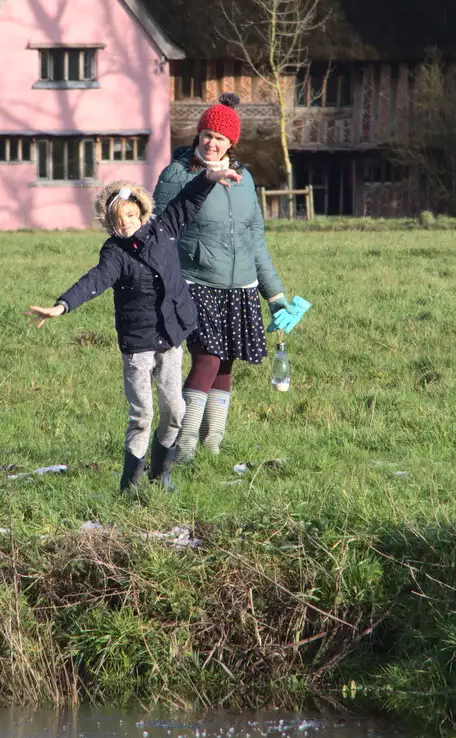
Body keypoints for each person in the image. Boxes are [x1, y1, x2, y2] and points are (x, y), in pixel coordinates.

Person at [28, 166, 240, 492]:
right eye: (116, 219)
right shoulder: (115, 252)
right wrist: (62, 305)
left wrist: (208, 178)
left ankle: (160, 473)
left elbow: (188, 200)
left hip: (170, 337)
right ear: (109, 224)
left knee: (175, 411)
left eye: (129, 214)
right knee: (142, 415)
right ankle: (129, 485)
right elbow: (94, 281)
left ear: (140, 211)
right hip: (138, 343)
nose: (124, 222)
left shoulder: (165, 228)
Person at [152, 92, 291, 462]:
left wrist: (274, 294)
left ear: (232, 143)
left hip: (240, 287)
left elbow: (255, 239)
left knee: (226, 363)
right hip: (194, 284)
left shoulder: (244, 180)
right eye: (206, 135)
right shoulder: (178, 174)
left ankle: (212, 444)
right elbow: (159, 233)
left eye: (220, 138)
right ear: (197, 136)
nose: (212, 143)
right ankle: (182, 448)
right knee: (208, 359)